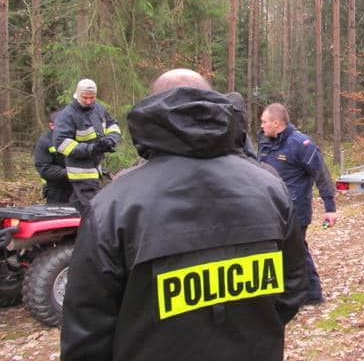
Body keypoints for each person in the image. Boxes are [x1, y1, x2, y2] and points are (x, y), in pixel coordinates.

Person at [60, 69, 308, 361]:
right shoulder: (269, 187)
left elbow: (86, 333)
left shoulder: (112, 206)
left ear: (151, 114)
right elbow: (292, 288)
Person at [258, 103, 337, 304]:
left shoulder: (301, 144)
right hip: (271, 208)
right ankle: (298, 293)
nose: (262, 126)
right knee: (284, 251)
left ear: (276, 123)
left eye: (264, 122)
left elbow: (322, 175)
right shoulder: (264, 142)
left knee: (296, 250)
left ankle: (309, 294)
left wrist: (330, 208)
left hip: (295, 209)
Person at [53, 79, 121, 215]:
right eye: (85, 97)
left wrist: (111, 140)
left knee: (79, 207)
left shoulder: (99, 108)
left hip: (96, 167)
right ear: (77, 94)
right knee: (96, 209)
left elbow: (112, 124)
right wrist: (91, 149)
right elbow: (61, 144)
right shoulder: (67, 115)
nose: (89, 101)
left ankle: (74, 232)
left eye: (92, 97)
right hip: (80, 171)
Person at [32, 110, 73, 204]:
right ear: (51, 126)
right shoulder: (44, 142)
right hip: (56, 190)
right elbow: (44, 168)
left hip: (80, 187)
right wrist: (71, 172)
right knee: (60, 217)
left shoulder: (76, 137)